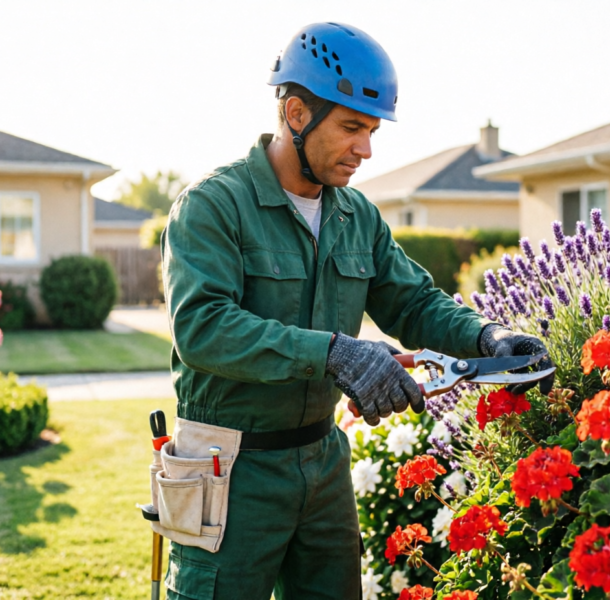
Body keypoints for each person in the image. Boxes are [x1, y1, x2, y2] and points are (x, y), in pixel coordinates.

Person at [160, 22, 553, 600]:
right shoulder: (214, 206)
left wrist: (488, 338)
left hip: (321, 462)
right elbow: (203, 328)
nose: (365, 150)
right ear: (296, 113)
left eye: (370, 131)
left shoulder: (356, 217)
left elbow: (413, 300)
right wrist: (335, 353)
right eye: (350, 128)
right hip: (228, 467)